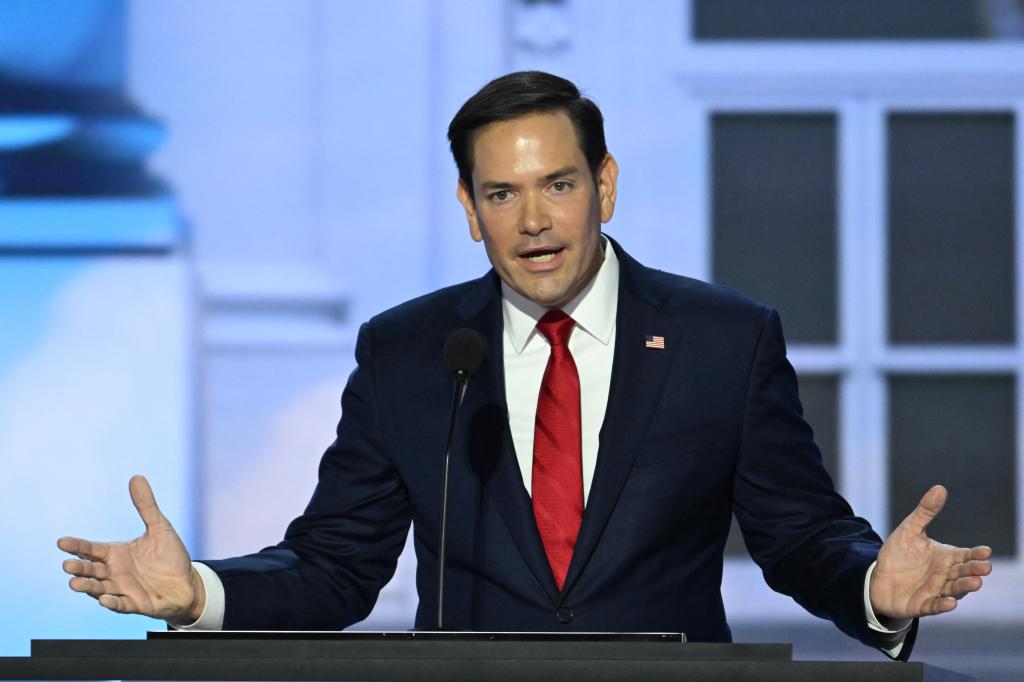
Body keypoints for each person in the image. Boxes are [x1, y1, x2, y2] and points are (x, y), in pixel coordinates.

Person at [58, 71, 991, 660]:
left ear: (606, 185)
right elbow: (337, 565)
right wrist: (200, 596)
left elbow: (798, 537)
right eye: (502, 193)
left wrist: (876, 588)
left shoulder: (722, 339)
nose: (534, 221)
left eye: (559, 185)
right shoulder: (411, 352)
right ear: (470, 208)